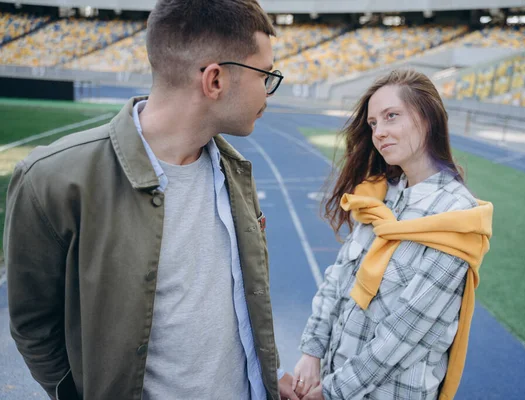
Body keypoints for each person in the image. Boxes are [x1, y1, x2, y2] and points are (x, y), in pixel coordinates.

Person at [4, 0, 299, 399]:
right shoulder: (52, 179)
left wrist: (266, 373)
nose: (268, 88)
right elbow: (35, 325)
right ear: (215, 80)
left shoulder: (235, 169)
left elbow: (235, 309)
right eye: (265, 74)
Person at [292, 69, 493, 400]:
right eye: (373, 124)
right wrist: (312, 353)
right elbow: (339, 279)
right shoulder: (379, 194)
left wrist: (330, 393)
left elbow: (402, 335)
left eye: (391, 117)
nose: (379, 132)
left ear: (427, 119)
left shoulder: (457, 217)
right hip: (331, 376)